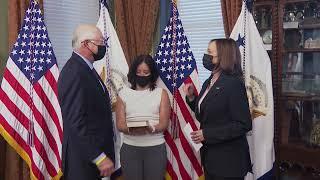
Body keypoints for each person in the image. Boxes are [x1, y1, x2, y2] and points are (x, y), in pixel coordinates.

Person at [184, 38, 252, 180]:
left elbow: (243, 124)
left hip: (228, 163)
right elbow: (207, 114)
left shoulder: (233, 84)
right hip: (211, 159)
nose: (205, 55)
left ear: (222, 56)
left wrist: (207, 134)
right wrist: (191, 98)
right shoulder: (209, 81)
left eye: (210, 52)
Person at [58, 24, 115, 180]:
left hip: (95, 160)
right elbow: (75, 122)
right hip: (83, 162)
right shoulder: (74, 72)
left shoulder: (86, 69)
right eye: (100, 42)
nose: (104, 46)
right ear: (85, 44)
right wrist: (99, 157)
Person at [115, 54, 170, 180]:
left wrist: (150, 128)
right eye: (139, 71)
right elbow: (120, 124)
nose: (142, 74)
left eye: (146, 72)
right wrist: (131, 129)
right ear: (134, 72)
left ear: (152, 73)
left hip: (155, 148)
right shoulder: (123, 94)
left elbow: (163, 123)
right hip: (130, 149)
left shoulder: (161, 94)